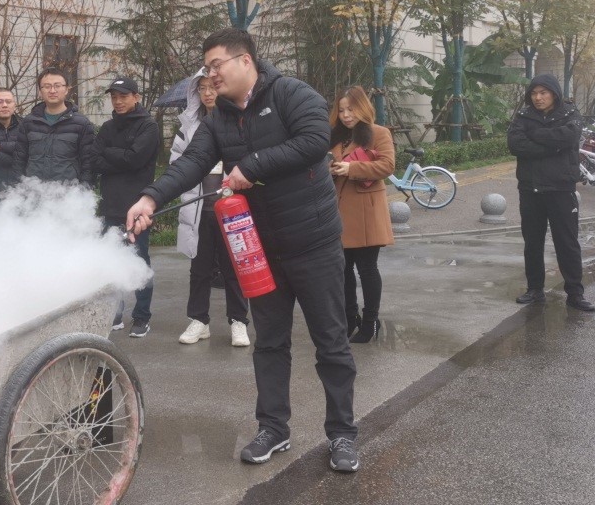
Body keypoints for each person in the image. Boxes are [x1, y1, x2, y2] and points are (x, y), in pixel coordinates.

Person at [126, 28, 359, 472]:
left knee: (331, 342)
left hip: (313, 243)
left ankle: (343, 434)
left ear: (245, 60)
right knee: (269, 343)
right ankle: (273, 428)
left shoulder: (292, 93)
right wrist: (150, 199)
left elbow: (314, 141)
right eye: (206, 68)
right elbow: (193, 161)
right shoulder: (219, 119)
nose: (210, 75)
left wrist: (251, 166)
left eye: (216, 65)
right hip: (262, 250)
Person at [172, 69, 250, 348]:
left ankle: (238, 321)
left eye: (212, 87)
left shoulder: (238, 121)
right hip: (199, 208)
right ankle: (199, 320)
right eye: (201, 88)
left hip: (231, 208)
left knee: (234, 267)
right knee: (199, 268)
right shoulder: (188, 127)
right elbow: (177, 163)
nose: (207, 93)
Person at [507, 74, 594, 312]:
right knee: (532, 242)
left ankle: (575, 293)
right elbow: (515, 144)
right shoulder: (524, 116)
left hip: (561, 189)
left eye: (543, 93)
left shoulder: (570, 113)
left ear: (554, 94)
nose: (538, 98)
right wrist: (553, 146)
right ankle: (535, 289)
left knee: (567, 242)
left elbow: (569, 137)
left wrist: (535, 135)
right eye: (534, 93)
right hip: (530, 189)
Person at [93, 76, 162, 338]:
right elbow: (95, 160)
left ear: (136, 97)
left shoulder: (149, 126)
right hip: (110, 205)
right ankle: (115, 313)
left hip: (138, 206)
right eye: (114, 97)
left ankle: (142, 316)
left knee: (139, 261)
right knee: (110, 262)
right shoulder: (107, 127)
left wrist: (110, 153)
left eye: (123, 96)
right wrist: (120, 156)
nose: (118, 101)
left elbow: (135, 159)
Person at [329, 85, 396, 344]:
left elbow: (387, 166)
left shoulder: (378, 133)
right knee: (342, 270)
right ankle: (349, 319)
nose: (346, 115)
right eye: (342, 110)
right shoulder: (335, 136)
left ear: (363, 108)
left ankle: (370, 323)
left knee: (367, 269)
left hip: (366, 211)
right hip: (338, 211)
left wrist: (352, 168)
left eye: (351, 109)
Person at [13, 69, 96, 187]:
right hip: (33, 190)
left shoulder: (81, 123)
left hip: (69, 192)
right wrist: (18, 188)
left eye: (57, 86)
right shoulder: (29, 122)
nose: (52, 90)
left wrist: (84, 190)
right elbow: (19, 160)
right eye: (47, 86)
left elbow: (88, 163)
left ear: (66, 89)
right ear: (40, 91)